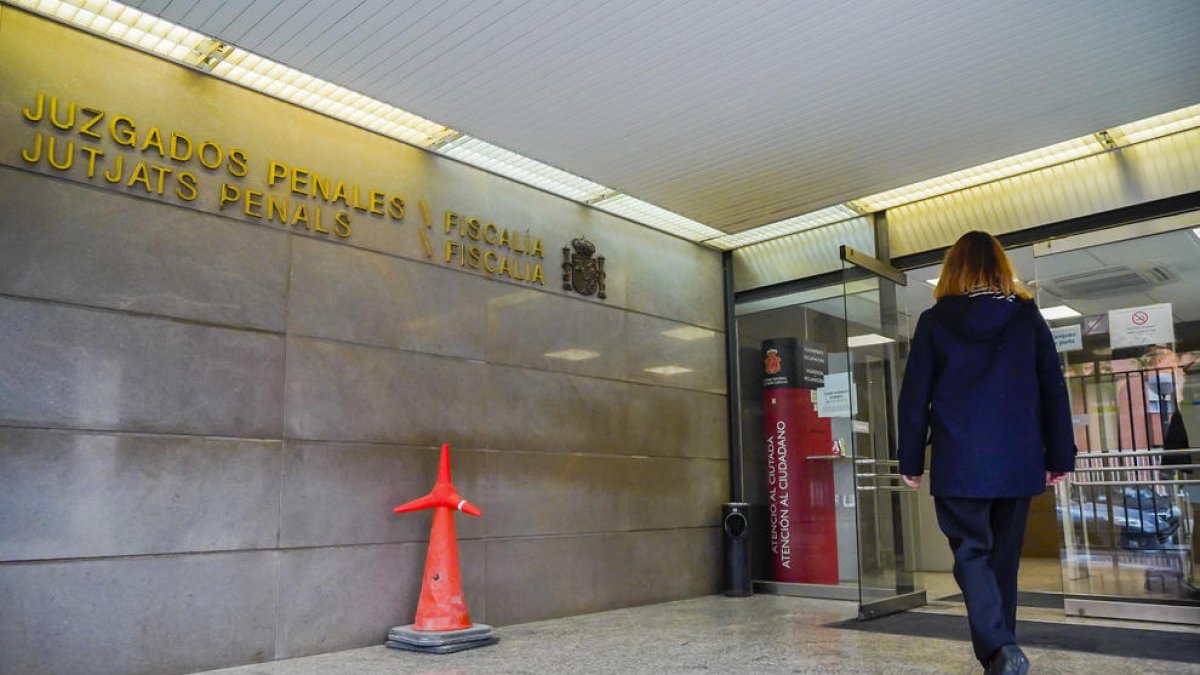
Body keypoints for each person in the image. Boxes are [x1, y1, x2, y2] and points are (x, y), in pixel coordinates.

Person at [897, 231, 1076, 675]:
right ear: (1001, 267)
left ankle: (1001, 650)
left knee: (972, 556)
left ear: (952, 269)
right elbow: (1053, 390)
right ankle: (1002, 654)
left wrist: (910, 460)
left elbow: (915, 395)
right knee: (1003, 562)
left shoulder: (934, 321)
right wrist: (1059, 455)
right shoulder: (1027, 318)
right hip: (1016, 460)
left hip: (960, 462)